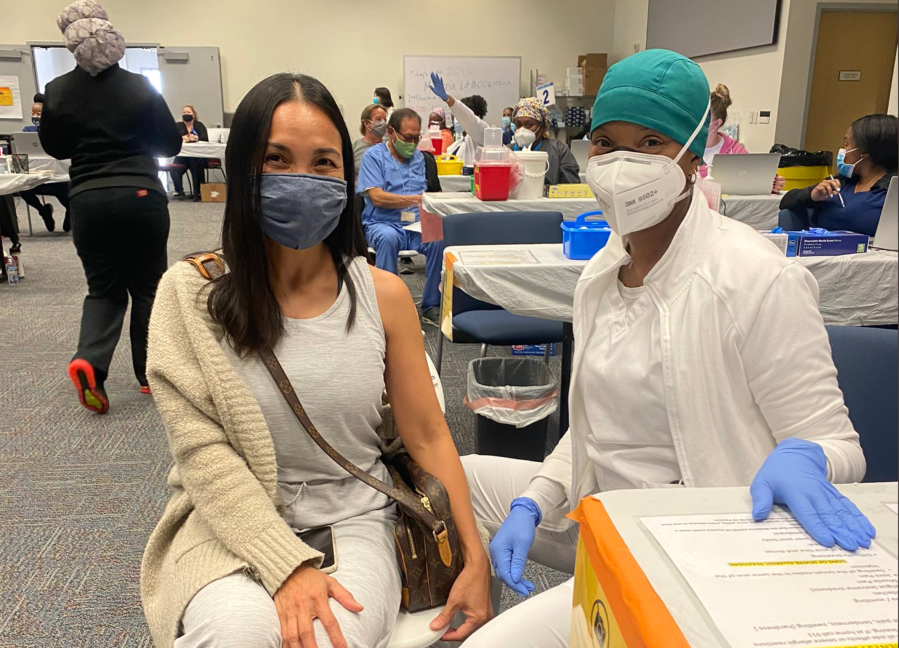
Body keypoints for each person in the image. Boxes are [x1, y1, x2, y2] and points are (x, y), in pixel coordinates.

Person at [461, 49, 873, 647]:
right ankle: (479, 596)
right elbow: (595, 429)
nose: (622, 162)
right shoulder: (604, 272)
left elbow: (841, 447)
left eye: (651, 142)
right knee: (459, 477)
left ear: (693, 157)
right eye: (606, 142)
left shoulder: (754, 279)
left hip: (695, 541)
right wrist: (535, 501)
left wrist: (809, 457)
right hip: (603, 514)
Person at [140, 72, 491, 648]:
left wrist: (473, 556)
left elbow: (428, 434)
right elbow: (203, 454)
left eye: (324, 163)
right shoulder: (191, 294)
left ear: (346, 176)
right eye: (276, 159)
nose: (301, 179)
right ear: (240, 169)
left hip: (353, 518)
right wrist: (286, 565)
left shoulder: (383, 295)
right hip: (228, 523)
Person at [39, 1, 181, 413]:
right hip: (141, 196)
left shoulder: (57, 91)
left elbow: (56, 147)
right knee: (149, 288)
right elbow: (169, 144)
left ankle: (90, 362)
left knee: (103, 289)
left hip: (87, 199)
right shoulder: (140, 87)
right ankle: (148, 374)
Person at [358, 108, 445, 326]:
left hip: (416, 225)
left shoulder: (422, 159)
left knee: (439, 239)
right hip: (383, 222)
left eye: (417, 138)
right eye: (408, 138)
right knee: (387, 239)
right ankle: (389, 307)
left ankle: (431, 305)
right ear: (391, 132)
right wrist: (415, 199)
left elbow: (434, 195)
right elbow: (377, 197)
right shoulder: (373, 157)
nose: (413, 143)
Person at [779, 114, 898, 237]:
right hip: (820, 252)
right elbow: (786, 202)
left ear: (864, 152)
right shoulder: (843, 181)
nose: (842, 150)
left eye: (846, 144)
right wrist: (811, 195)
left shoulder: (890, 191)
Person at [702, 83, 784, 193]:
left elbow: (753, 177)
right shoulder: (686, 147)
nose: (698, 124)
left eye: (704, 120)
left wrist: (772, 183)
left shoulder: (734, 150)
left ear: (717, 123)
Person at [17, 92, 71, 232]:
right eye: (33, 113)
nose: (35, 116)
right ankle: (43, 211)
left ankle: (70, 212)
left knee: (64, 191)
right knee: (22, 189)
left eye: (39, 113)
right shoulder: (27, 131)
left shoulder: (57, 130)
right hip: (35, 177)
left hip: (56, 178)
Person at [510, 97, 581, 185]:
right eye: (518, 125)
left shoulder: (559, 151)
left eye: (529, 125)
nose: (522, 130)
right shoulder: (507, 152)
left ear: (542, 126)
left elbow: (571, 186)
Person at [429, 73, 489, 167]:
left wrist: (447, 98)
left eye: (457, 115)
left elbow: (464, 114)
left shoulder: (482, 130)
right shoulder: (460, 141)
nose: (454, 118)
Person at [172, 105, 209, 201]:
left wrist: (196, 138)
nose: (186, 114)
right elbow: (174, 138)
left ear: (193, 114)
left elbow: (205, 138)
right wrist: (182, 138)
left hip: (198, 156)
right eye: (184, 112)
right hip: (183, 157)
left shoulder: (199, 125)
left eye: (188, 112)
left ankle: (198, 192)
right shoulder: (178, 125)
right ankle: (179, 191)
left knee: (196, 165)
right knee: (174, 169)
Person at [353, 103, 388, 177]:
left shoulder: (389, 147)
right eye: (378, 119)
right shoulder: (355, 148)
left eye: (385, 120)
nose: (383, 123)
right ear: (366, 123)